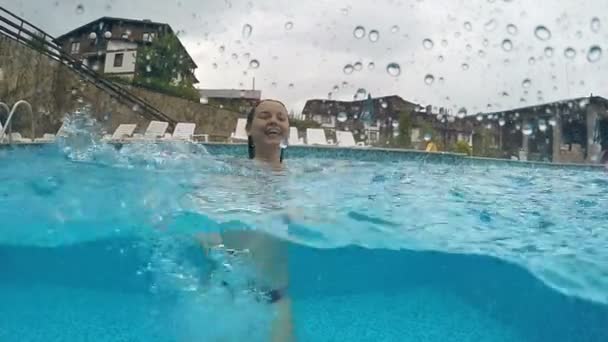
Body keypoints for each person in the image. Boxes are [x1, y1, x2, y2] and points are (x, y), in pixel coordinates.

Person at [199, 99, 293, 341]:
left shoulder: (299, 177)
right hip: (227, 292)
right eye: (265, 115)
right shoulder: (228, 172)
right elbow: (197, 205)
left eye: (281, 117)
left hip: (275, 297)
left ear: (288, 130)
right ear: (248, 128)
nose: (274, 120)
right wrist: (207, 235)